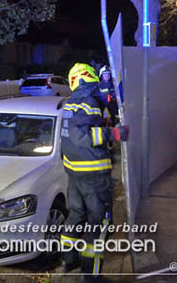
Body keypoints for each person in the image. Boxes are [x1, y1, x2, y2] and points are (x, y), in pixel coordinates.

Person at [60, 63, 129, 282]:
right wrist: (113, 133)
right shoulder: (88, 102)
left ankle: (69, 261)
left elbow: (74, 133)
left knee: (77, 215)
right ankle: (91, 277)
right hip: (93, 174)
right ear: (89, 78)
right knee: (99, 222)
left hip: (75, 172)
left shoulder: (70, 103)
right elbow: (82, 137)